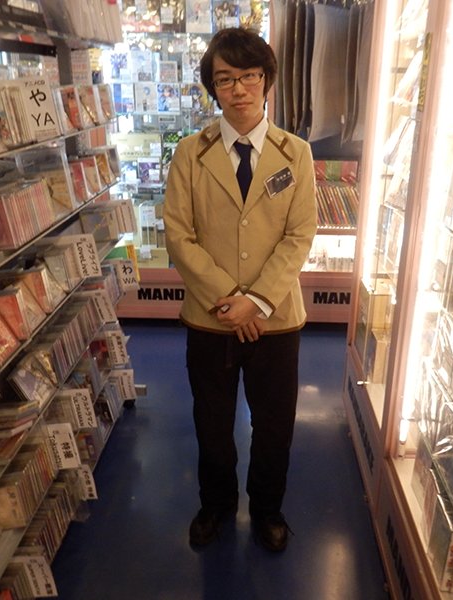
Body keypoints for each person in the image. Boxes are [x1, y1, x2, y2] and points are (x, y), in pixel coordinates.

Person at [163, 27, 317, 552]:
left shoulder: (296, 154)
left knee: (275, 427)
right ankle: (216, 503)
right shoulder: (191, 152)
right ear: (213, 87)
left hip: (277, 319)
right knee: (212, 423)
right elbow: (178, 234)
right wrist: (230, 299)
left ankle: (268, 508)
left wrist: (257, 301)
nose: (239, 89)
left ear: (267, 80)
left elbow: (300, 235)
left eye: (249, 76)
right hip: (211, 318)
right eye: (225, 79)